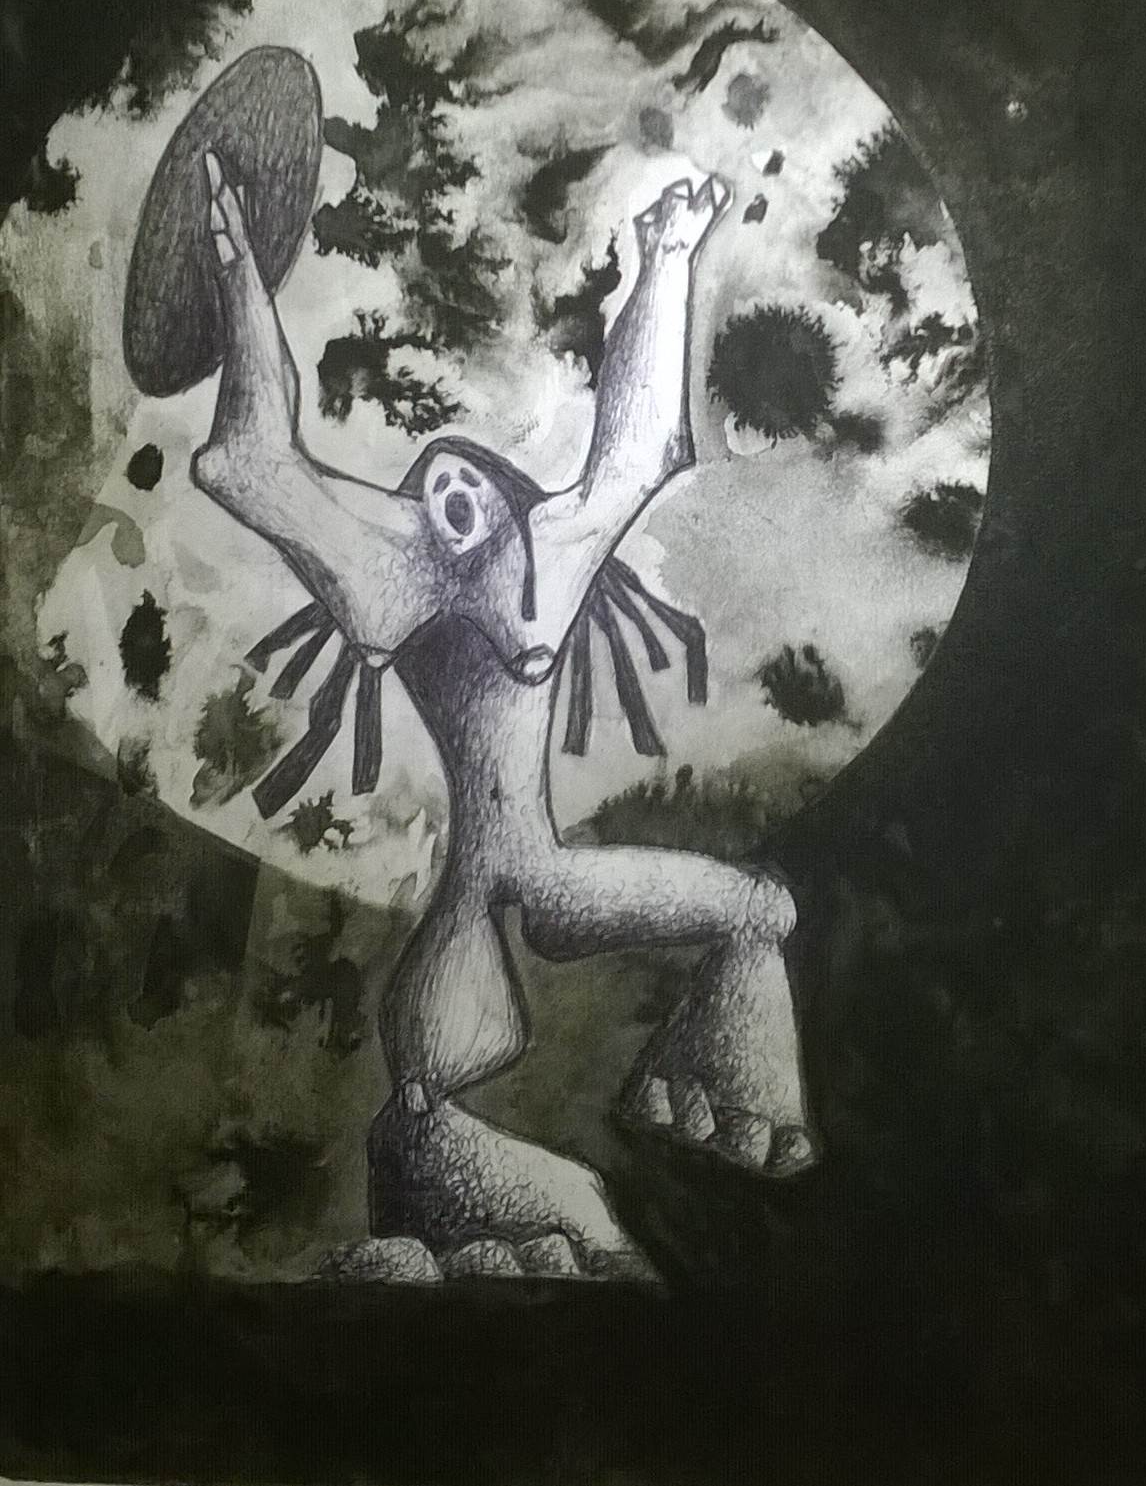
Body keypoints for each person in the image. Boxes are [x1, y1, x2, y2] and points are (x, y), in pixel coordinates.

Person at [191, 144, 814, 1283]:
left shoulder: (550, 557)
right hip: (477, 892)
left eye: (467, 479)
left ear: (504, 501)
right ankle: (478, 1223)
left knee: (754, 911)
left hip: (542, 865)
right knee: (429, 1102)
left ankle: (706, 1088)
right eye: (431, 487)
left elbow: (636, 445)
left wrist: (668, 258)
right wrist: (239, 279)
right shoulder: (404, 582)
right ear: (415, 526)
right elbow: (254, 462)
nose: (449, 488)